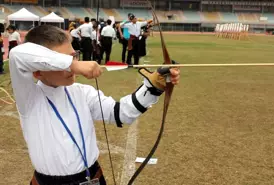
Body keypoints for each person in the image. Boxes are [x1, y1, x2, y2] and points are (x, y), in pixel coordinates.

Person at [8, 25, 180, 185]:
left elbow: (121, 113)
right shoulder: (29, 98)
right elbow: (17, 55)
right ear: (38, 71)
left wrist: (152, 87)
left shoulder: (82, 92)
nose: (72, 67)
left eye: (73, 56)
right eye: (62, 61)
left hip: (93, 177)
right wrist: (73, 64)